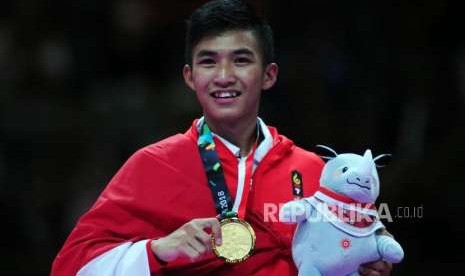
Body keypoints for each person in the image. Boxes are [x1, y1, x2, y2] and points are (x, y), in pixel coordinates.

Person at [52, 0, 393, 275]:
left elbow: (363, 248)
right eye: (208, 62)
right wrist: (155, 251)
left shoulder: (316, 171)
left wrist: (369, 262)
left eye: (241, 60)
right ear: (190, 76)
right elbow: (70, 267)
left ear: (269, 75)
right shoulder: (153, 166)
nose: (224, 76)